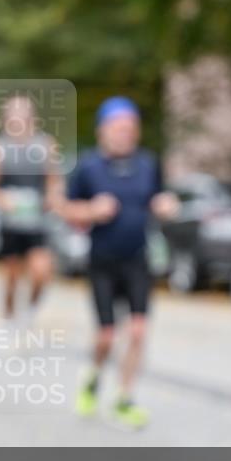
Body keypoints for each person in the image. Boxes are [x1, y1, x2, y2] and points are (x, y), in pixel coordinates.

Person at [59, 96, 179, 430]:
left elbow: (159, 199)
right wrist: (90, 210)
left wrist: (165, 206)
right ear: (103, 131)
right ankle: (93, 377)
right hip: (103, 262)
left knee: (138, 331)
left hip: (137, 259)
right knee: (107, 336)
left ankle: (124, 398)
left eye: (130, 128)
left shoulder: (148, 165)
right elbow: (66, 210)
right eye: (118, 128)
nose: (125, 134)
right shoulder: (88, 167)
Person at [0, 95, 61, 324]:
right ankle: (9, 315)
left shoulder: (45, 145)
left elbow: (55, 180)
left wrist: (51, 197)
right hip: (10, 222)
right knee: (12, 275)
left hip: (37, 221)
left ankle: (30, 310)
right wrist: (1, 198)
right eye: (13, 116)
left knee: (41, 271)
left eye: (23, 115)